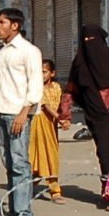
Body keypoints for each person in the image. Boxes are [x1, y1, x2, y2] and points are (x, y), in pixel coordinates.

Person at [61, 24, 109, 212]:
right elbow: (70, 90)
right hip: (95, 117)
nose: (89, 44)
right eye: (86, 41)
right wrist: (65, 114)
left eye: (92, 40)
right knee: (106, 154)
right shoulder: (79, 63)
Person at [0, 8, 42, 216]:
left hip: (18, 114)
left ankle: (24, 214)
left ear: (15, 25)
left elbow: (35, 84)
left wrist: (24, 112)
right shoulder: (2, 53)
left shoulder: (29, 51)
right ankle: (12, 211)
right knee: (9, 163)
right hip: (2, 112)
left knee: (20, 163)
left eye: (2, 22)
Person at [29, 59, 68, 205]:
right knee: (37, 156)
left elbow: (60, 105)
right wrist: (60, 118)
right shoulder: (36, 87)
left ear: (52, 73)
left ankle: (53, 190)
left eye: (44, 72)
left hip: (51, 126)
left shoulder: (57, 87)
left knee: (51, 155)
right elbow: (45, 106)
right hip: (38, 123)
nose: (41, 75)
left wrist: (65, 119)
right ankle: (36, 187)